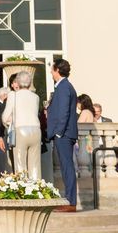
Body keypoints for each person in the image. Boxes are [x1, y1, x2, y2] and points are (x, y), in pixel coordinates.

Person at [47, 57, 80, 211]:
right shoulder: (64, 86)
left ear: (58, 70)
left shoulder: (64, 87)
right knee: (66, 167)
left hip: (64, 134)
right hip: (65, 133)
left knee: (67, 167)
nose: (51, 72)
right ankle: (69, 201)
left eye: (52, 69)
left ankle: (70, 202)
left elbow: (64, 112)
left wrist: (59, 132)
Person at [3, 71, 44, 183]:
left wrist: (9, 122)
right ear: (30, 83)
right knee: (35, 165)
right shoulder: (36, 97)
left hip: (20, 130)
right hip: (36, 130)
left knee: (20, 165)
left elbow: (5, 117)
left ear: (18, 82)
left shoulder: (13, 95)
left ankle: (22, 187)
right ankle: (37, 187)